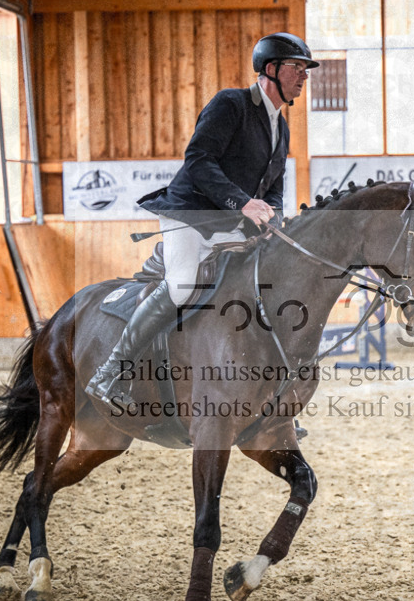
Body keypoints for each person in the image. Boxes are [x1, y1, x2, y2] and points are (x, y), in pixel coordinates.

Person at [86, 33, 319, 407]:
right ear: (270, 69)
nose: (303, 76)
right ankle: (110, 372)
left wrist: (271, 214)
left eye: (305, 69)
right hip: (190, 215)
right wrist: (243, 203)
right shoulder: (232, 103)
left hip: (229, 223)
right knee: (181, 286)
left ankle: (270, 392)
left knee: (260, 286)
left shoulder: (281, 126)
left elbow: (272, 184)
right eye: (297, 67)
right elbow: (198, 160)